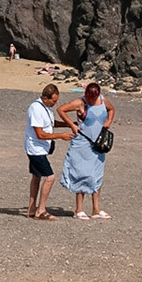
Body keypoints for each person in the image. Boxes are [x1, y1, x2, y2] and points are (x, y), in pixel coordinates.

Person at [57, 82, 115, 219]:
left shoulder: (102, 100)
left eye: (92, 98)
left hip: (98, 144)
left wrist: (108, 122)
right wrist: (72, 125)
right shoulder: (79, 103)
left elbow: (111, 109)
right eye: (88, 97)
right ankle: (79, 209)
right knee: (81, 173)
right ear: (86, 94)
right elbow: (61, 109)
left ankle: (96, 209)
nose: (90, 100)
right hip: (82, 143)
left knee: (96, 174)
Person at [24, 84, 74, 220]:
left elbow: (50, 123)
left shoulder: (46, 107)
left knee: (36, 176)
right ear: (45, 98)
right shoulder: (36, 108)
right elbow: (40, 134)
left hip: (41, 148)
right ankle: (41, 210)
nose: (55, 103)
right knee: (50, 177)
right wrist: (61, 136)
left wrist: (70, 124)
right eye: (53, 101)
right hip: (35, 148)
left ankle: (31, 209)